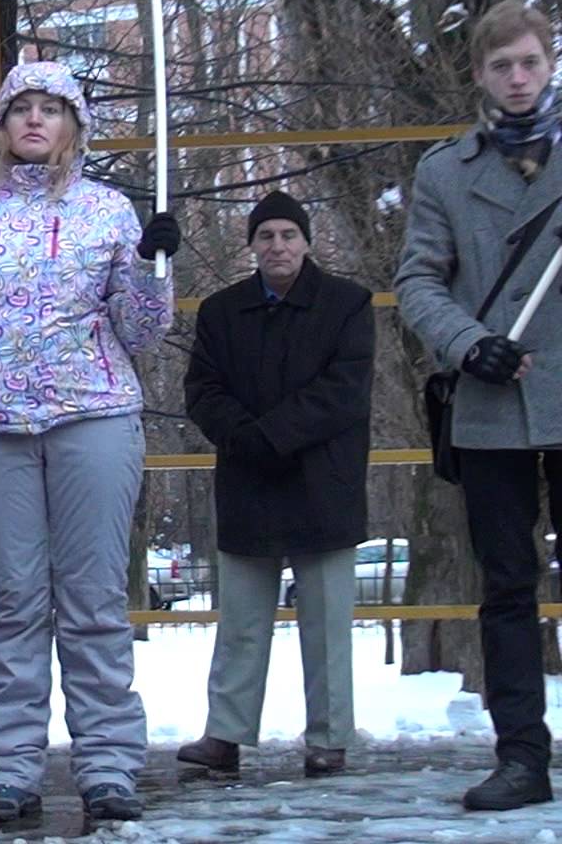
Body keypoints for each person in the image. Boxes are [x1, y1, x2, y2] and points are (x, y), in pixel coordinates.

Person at [0, 60, 178, 826]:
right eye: (19, 108)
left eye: (49, 109)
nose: (33, 120)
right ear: (0, 128)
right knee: (10, 600)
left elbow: (144, 333)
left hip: (94, 415)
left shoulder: (109, 211)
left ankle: (109, 764)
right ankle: (13, 766)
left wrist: (155, 267)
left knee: (92, 600)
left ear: (72, 125)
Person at [396, 0, 562, 812]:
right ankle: (521, 757)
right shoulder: (444, 173)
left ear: (551, 60)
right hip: (493, 406)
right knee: (506, 587)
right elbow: (419, 279)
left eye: (530, 61)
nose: (519, 78)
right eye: (503, 66)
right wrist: (468, 344)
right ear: (480, 75)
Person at [178, 190, 374, 779]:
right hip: (248, 479)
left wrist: (275, 435)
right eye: (266, 236)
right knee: (240, 621)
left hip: (324, 481)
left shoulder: (348, 304)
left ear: (307, 241)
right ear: (252, 245)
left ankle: (329, 738)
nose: (278, 246)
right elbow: (202, 391)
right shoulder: (220, 311)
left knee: (326, 622)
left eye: (288, 234)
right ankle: (226, 735)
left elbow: (344, 390)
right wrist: (249, 438)